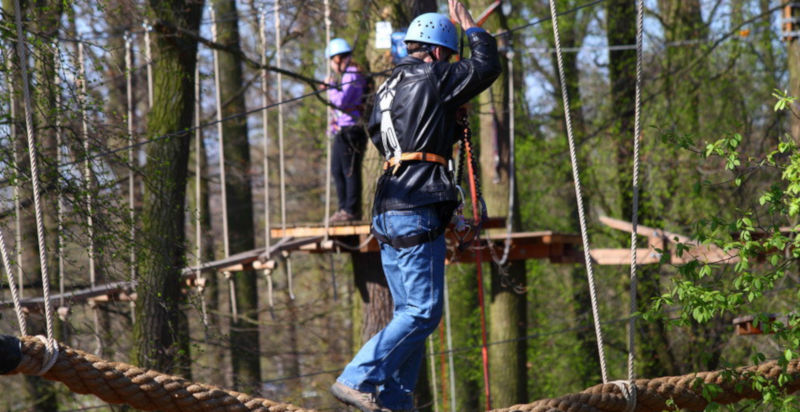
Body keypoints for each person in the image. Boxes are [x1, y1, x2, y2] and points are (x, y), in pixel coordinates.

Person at [330, 1, 501, 411]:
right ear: (439, 51)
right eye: (450, 57)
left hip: (388, 205)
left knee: (409, 313)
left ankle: (395, 400)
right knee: (422, 313)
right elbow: (486, 66)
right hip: (415, 205)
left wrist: (443, 125)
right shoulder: (433, 75)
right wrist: (469, 26)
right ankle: (357, 377)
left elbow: (384, 138)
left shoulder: (386, 87)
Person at [324, 38, 368, 223]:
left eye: (332, 61)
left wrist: (330, 88)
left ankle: (351, 210)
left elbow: (341, 102)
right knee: (337, 169)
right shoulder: (346, 76)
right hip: (342, 129)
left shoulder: (352, 75)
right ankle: (343, 208)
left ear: (339, 59)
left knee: (349, 170)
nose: (332, 67)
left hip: (351, 129)